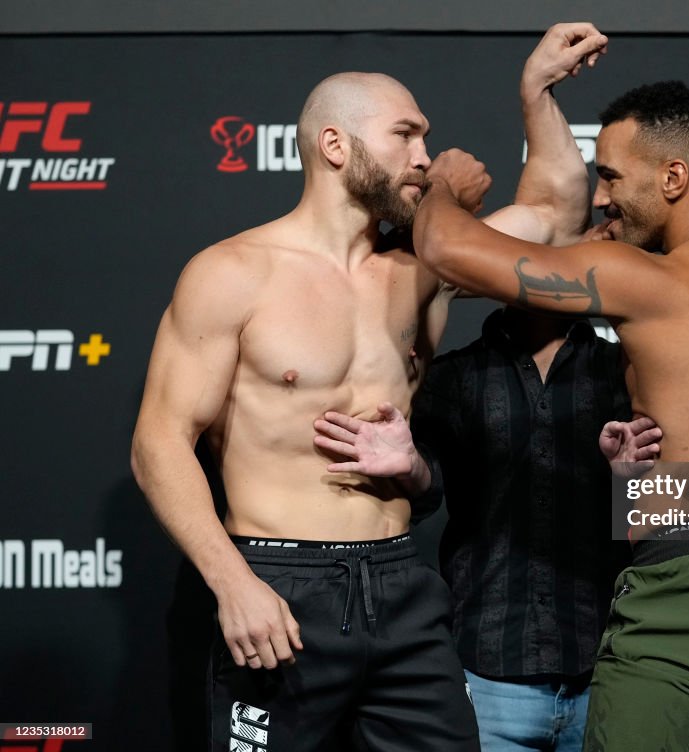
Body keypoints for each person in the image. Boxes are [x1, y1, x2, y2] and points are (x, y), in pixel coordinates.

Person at [130, 23, 609, 752]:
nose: (426, 159)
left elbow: (556, 214)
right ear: (335, 146)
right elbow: (159, 444)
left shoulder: (418, 273)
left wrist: (536, 92)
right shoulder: (232, 273)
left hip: (400, 587)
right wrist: (233, 584)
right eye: (406, 137)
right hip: (279, 584)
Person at [408, 80, 689, 750]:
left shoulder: (643, 278)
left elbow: (445, 253)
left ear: (675, 177)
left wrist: (442, 186)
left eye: (611, 175)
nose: (604, 196)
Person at [316, 297, 662, 751]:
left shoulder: (625, 369)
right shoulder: (459, 374)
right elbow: (425, 494)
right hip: (488, 671)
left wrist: (628, 481)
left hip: (604, 669)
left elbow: (659, 521)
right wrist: (412, 467)